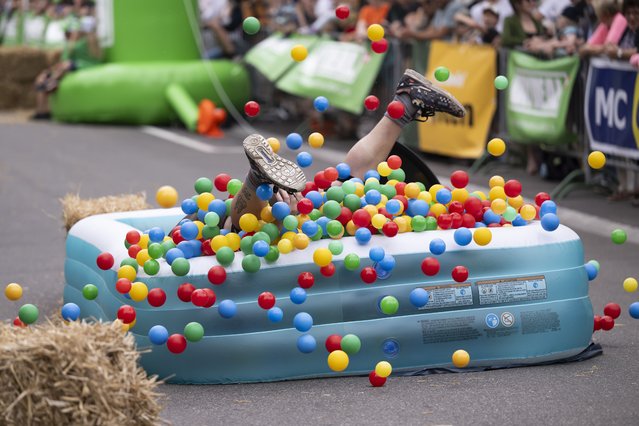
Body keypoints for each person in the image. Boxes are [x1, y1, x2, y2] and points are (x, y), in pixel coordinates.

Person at [181, 69, 465, 232]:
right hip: (225, 223)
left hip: (227, 222)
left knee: (239, 227)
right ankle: (403, 105)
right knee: (346, 183)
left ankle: (259, 182)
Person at [32, 1, 101, 120]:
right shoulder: (70, 43)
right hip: (70, 65)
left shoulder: (89, 40)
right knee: (42, 76)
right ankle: (42, 111)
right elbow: (65, 58)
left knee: (65, 66)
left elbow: (96, 56)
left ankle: (51, 83)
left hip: (84, 65)